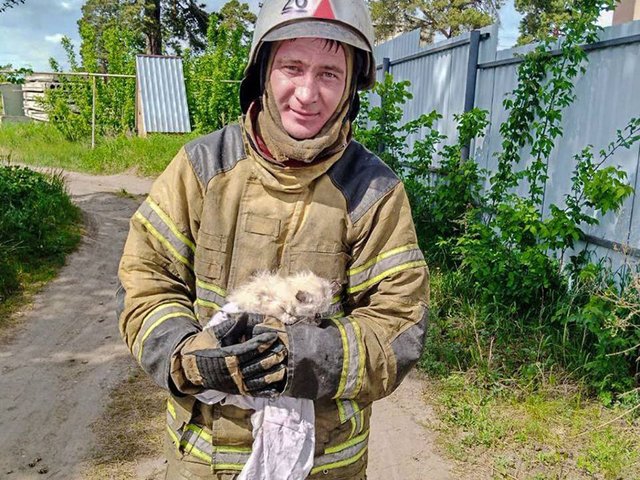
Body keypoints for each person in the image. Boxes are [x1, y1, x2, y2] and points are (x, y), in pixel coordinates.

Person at [116, 0, 429, 478]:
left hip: (324, 465)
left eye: (329, 73)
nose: (307, 93)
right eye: (292, 67)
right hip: (204, 459)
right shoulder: (202, 169)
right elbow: (145, 279)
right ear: (263, 71)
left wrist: (304, 357)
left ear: (351, 86)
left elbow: (399, 325)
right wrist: (188, 357)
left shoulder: (374, 191)